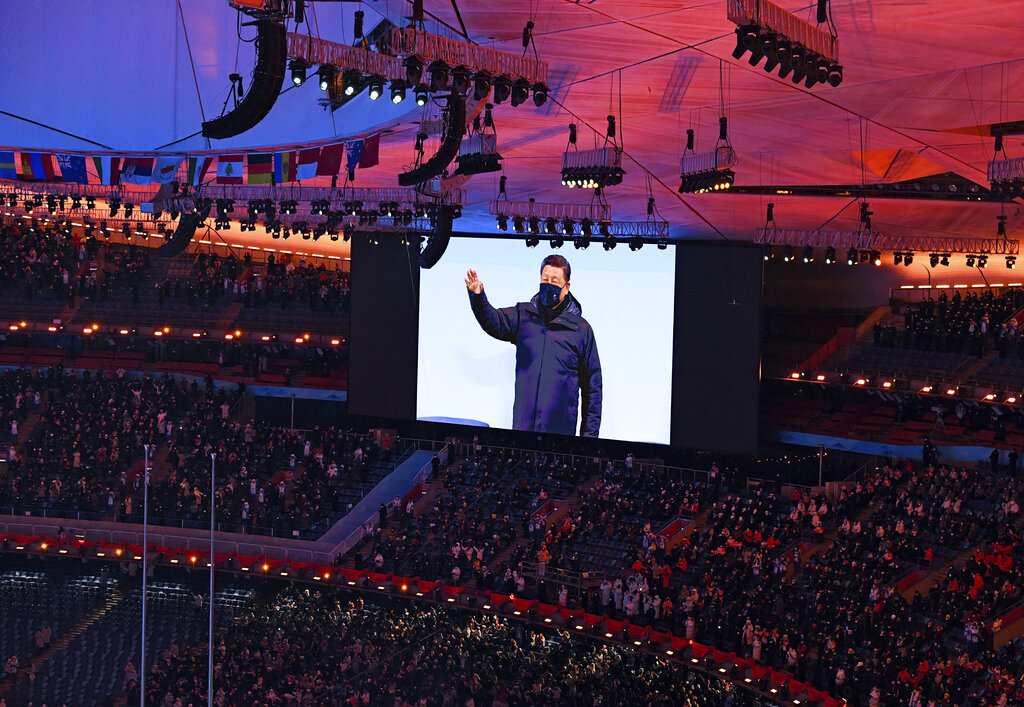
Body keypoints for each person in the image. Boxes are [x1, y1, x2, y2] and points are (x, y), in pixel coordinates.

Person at [465, 255, 602, 437]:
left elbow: (593, 389)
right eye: (545, 280)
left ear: (566, 287)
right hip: (523, 431)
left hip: (560, 437)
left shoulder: (581, 330)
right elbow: (493, 321)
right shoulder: (524, 315)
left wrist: (589, 440)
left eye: (555, 281)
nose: (549, 285)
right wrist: (478, 297)